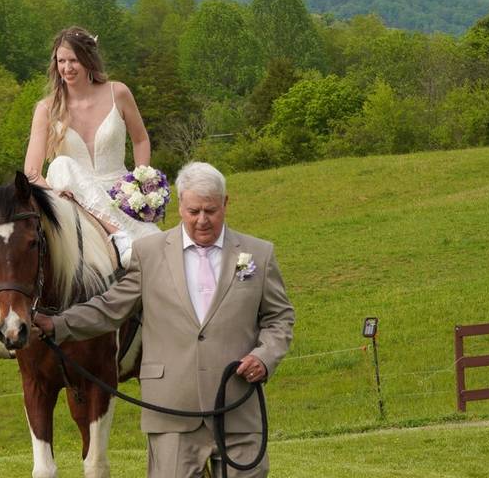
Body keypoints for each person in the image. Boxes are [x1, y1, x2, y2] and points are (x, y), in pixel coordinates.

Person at [33, 162, 295, 477]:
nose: (202, 220)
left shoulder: (258, 255)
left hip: (238, 409)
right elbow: (110, 308)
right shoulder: (149, 253)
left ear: (225, 204)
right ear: (180, 205)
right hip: (172, 414)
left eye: (210, 211)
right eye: (193, 210)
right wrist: (57, 325)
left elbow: (280, 318)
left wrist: (265, 356)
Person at [23, 26, 160, 261]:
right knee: (60, 165)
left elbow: (141, 139)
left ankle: (127, 235)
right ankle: (119, 236)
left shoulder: (118, 92)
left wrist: (140, 180)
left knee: (159, 247)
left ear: (88, 60)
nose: (67, 68)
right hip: (75, 202)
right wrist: (54, 195)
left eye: (73, 60)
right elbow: (32, 173)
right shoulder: (46, 109)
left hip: (117, 194)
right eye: (61, 61)